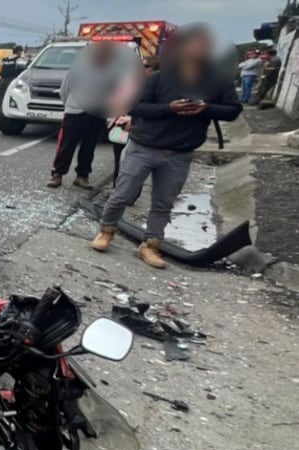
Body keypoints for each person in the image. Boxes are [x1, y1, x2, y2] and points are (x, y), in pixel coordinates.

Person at [91, 24, 242, 269]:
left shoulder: (218, 82)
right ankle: (106, 231)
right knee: (122, 194)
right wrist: (169, 108)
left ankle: (150, 246)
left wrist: (207, 108)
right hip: (144, 147)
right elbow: (135, 107)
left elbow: (233, 111)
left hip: (180, 153)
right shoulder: (159, 78)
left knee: (163, 203)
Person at [47, 41, 122, 190]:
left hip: (97, 113)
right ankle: (57, 174)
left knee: (89, 146)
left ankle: (82, 176)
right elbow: (65, 90)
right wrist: (71, 105)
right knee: (66, 145)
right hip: (75, 111)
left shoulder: (113, 73)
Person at [110, 56, 159, 193]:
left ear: (154, 70)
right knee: (119, 161)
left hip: (142, 130)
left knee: (136, 166)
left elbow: (154, 110)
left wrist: (133, 120)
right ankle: (117, 189)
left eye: (146, 66)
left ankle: (132, 193)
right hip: (122, 127)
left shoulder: (156, 88)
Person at [0, 46, 25, 122]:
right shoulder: (18, 60)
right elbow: (23, 72)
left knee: (1, 100)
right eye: (21, 52)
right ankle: (10, 117)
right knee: (14, 100)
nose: (22, 53)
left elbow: (1, 71)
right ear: (19, 52)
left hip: (3, 81)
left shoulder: (5, 59)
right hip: (12, 81)